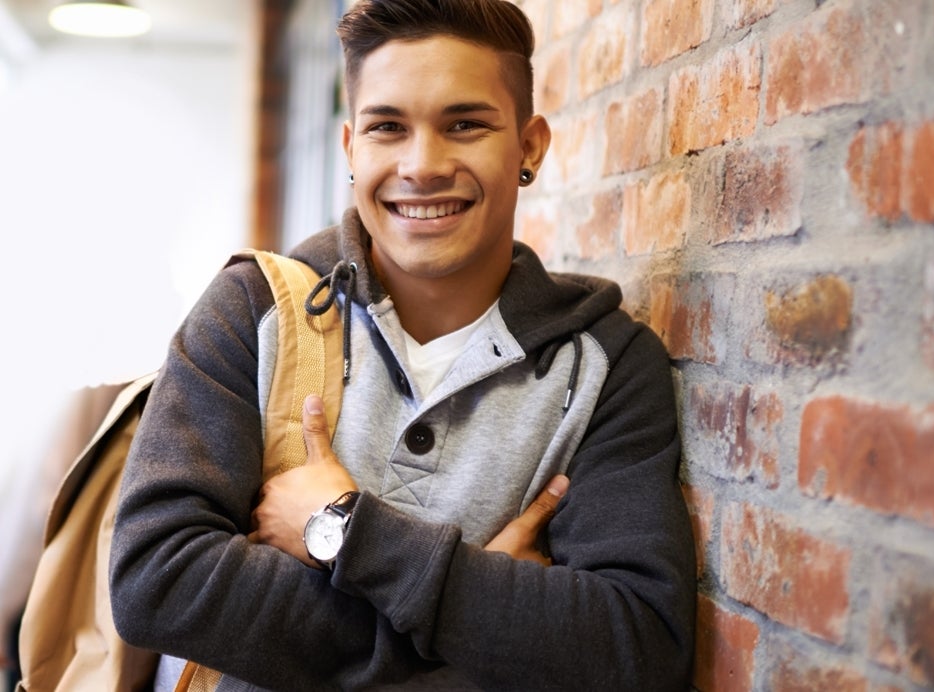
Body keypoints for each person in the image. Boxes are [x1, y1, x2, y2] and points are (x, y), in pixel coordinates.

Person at [110, 0, 696, 689]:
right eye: (389, 127)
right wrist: (471, 625)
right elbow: (154, 578)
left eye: (465, 124)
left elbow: (637, 645)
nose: (422, 165)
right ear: (352, 148)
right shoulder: (254, 309)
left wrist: (343, 529)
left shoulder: (607, 364)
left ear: (529, 146)